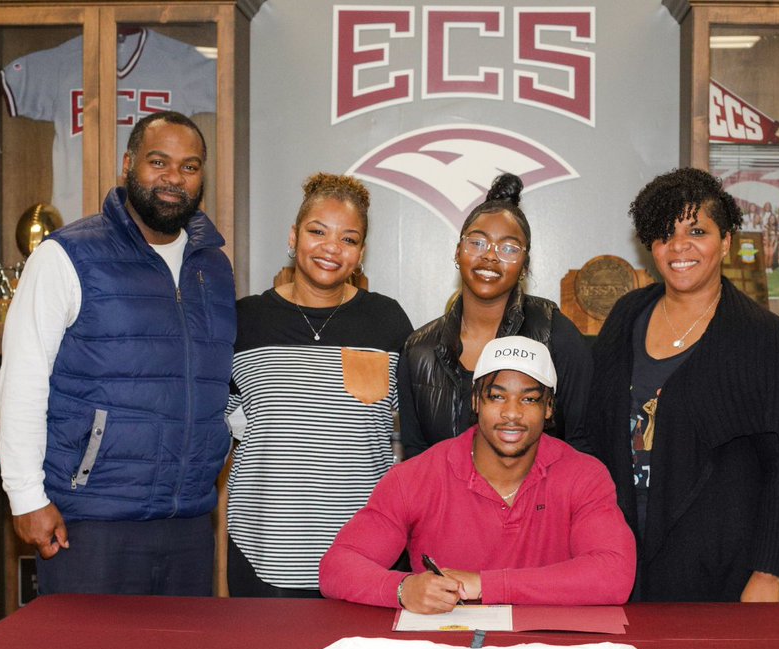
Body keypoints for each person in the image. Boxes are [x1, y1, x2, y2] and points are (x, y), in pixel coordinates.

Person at [0, 111, 236, 596]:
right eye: (158, 161)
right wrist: (25, 496)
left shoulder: (214, 266)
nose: (174, 178)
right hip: (90, 522)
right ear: (128, 165)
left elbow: (214, 376)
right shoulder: (66, 256)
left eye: (190, 167)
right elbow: (22, 380)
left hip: (188, 521)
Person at [587, 167, 779, 602]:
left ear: (727, 241)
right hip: (626, 561)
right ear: (651, 247)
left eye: (697, 230)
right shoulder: (625, 316)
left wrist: (768, 575)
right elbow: (593, 432)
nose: (680, 247)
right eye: (664, 234)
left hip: (729, 572)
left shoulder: (770, 340)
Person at [321, 336, 635, 612]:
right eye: (497, 396)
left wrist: (485, 585)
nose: (512, 413)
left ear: (549, 408)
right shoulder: (415, 477)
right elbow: (337, 568)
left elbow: (614, 574)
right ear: (475, 401)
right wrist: (402, 589)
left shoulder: (585, 476)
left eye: (529, 399)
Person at [227, 173, 413, 597]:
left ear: (361, 253)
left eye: (348, 239)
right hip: (265, 550)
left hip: (364, 553)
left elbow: (412, 432)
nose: (331, 248)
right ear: (293, 237)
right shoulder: (247, 320)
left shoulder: (386, 321)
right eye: (317, 232)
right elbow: (223, 425)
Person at [398, 173, 593, 458]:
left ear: (525, 265)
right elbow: (416, 456)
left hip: (538, 502)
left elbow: (581, 442)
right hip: (445, 503)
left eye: (508, 248)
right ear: (457, 252)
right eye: (477, 242)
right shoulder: (419, 350)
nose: (490, 256)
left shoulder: (555, 334)